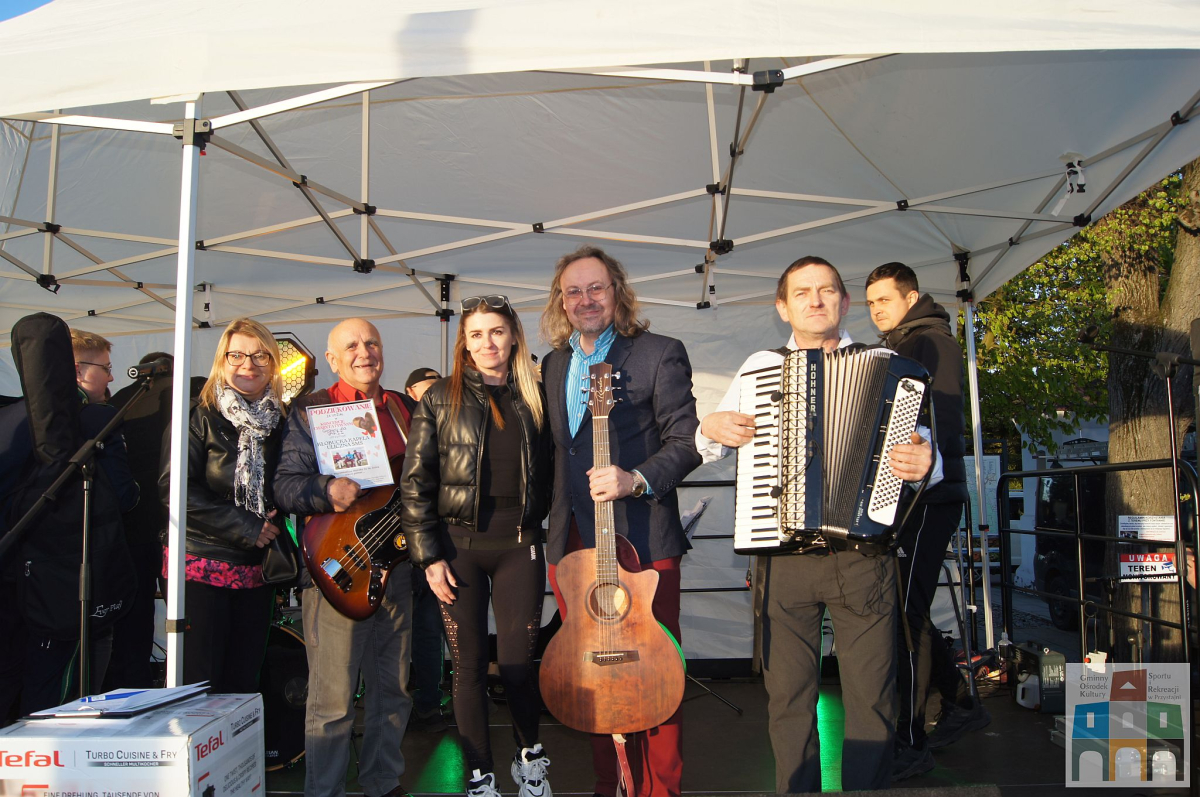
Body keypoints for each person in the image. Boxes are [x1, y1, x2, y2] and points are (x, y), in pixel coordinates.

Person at [696, 256, 934, 793]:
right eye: (802, 293)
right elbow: (709, 445)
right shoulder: (759, 368)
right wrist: (709, 424)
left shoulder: (887, 366)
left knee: (873, 698)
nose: (815, 300)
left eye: (826, 290)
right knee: (788, 698)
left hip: (864, 558)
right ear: (783, 308)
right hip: (782, 559)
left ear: (844, 303)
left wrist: (928, 461)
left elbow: (928, 453)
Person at [541, 245, 702, 797]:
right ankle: (609, 786)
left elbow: (687, 443)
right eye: (573, 291)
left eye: (596, 288)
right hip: (572, 544)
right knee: (591, 673)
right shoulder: (553, 365)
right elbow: (559, 452)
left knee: (655, 674)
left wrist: (635, 478)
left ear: (617, 292)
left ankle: (660, 791)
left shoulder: (659, 353)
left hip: (642, 541)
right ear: (561, 301)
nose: (585, 300)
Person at [401, 299, 553, 797]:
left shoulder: (537, 394)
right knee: (466, 668)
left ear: (514, 337)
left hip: (520, 545)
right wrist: (428, 557)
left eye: (497, 332)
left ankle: (531, 762)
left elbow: (560, 467)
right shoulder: (438, 398)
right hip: (456, 549)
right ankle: (479, 775)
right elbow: (415, 484)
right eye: (477, 334)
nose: (488, 343)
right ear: (464, 343)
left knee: (517, 666)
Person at [273, 318, 414, 797]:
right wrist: (325, 489)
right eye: (351, 346)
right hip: (338, 569)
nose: (364, 352)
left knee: (392, 690)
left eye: (371, 342)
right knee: (332, 700)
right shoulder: (310, 410)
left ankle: (382, 782)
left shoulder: (404, 408)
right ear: (332, 359)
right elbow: (284, 486)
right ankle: (325, 791)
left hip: (395, 568)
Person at [864, 262, 988, 778]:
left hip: (928, 499)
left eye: (885, 300)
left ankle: (912, 742)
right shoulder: (903, 345)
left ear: (911, 298)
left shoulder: (930, 342)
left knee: (906, 616)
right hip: (909, 500)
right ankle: (959, 702)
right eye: (871, 303)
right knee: (904, 609)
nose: (876, 310)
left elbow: (941, 421)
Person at [0, 328, 138, 719]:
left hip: (12, 576)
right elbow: (124, 496)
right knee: (66, 694)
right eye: (105, 368)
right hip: (63, 582)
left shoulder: (9, 417)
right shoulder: (96, 418)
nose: (112, 378)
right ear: (76, 370)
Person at [159, 320, 285, 693]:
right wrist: (246, 526)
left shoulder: (280, 421)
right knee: (199, 687)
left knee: (243, 685)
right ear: (222, 361)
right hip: (200, 565)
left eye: (260, 355)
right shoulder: (196, 416)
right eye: (237, 355)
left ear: (273, 363)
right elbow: (174, 490)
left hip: (258, 569)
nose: (249, 364)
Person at [104, 352, 174, 691]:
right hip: (177, 525)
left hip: (131, 525)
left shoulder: (120, 401)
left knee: (134, 618)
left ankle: (135, 687)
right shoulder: (187, 396)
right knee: (186, 616)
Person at [402, 366, 449, 734]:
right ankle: (415, 703)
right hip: (400, 548)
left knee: (431, 630)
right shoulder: (398, 421)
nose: (435, 393)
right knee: (407, 632)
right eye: (427, 388)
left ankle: (429, 704)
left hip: (433, 543)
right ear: (411, 392)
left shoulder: (446, 422)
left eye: (438, 387)